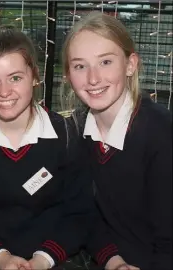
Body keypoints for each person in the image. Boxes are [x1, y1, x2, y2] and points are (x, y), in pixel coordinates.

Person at [0, 26, 95, 270]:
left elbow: (80, 213)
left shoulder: (66, 136)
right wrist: (1, 258)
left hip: (57, 257)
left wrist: (43, 260)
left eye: (15, 78)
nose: (4, 92)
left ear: (34, 77)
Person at [61, 11, 172, 270]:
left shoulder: (161, 133)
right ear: (68, 74)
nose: (93, 78)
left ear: (130, 64)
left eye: (106, 62)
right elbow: (85, 215)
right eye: (80, 66)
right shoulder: (74, 131)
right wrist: (114, 261)